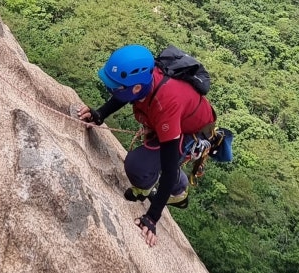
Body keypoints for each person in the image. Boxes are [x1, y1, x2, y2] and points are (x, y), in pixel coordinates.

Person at [76, 44, 216, 248]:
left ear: (137, 87)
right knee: (149, 161)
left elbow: (168, 170)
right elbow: (124, 94)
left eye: (114, 87)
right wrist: (100, 114)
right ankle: (151, 187)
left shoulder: (166, 102)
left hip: (189, 134)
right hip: (176, 121)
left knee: (138, 166)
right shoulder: (144, 83)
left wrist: (152, 218)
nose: (110, 89)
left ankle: (178, 193)